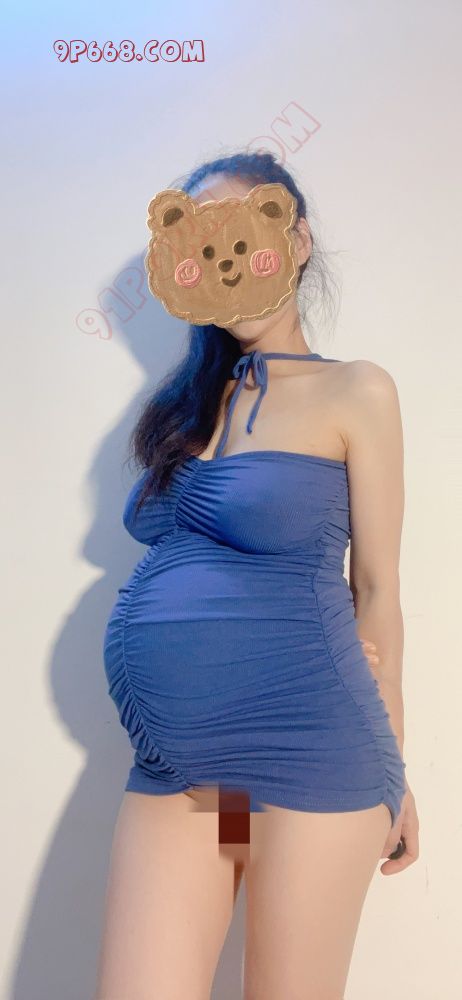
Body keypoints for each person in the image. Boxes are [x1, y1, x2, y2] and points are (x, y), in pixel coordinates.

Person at [94, 151, 419, 1000]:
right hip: (199, 788)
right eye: (200, 243)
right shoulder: (189, 406)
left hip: (309, 768)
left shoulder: (356, 391)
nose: (223, 257)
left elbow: (377, 592)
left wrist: (397, 769)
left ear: (295, 240)